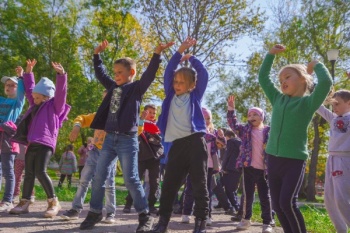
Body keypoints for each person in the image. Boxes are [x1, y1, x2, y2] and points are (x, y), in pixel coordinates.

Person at [79, 39, 173, 232]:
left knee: (131, 179)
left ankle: (145, 216)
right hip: (109, 138)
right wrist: (96, 56)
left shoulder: (136, 88)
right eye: (115, 73)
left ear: (131, 73)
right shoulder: (113, 87)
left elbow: (150, 74)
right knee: (99, 176)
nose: (116, 76)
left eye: (120, 72)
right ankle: (95, 212)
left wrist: (157, 54)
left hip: (127, 140)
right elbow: (100, 73)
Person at [259, 44, 332, 233]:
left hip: (294, 160)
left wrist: (316, 65)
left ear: (302, 79)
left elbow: (325, 83)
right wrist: (270, 55)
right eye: (280, 79)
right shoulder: (277, 98)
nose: (282, 81)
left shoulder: (307, 103)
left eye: (287, 77)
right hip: (273, 159)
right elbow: (263, 79)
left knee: (287, 202)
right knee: (277, 205)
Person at [151, 37, 209, 233]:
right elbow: (169, 71)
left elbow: (203, 73)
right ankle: (162, 224)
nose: (177, 84)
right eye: (176, 81)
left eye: (181, 82)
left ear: (192, 85)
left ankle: (200, 223)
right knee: (168, 186)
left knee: (200, 185)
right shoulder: (170, 96)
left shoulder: (194, 96)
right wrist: (179, 52)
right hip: (176, 145)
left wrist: (191, 58)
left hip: (195, 143)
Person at [10, 59, 70, 218]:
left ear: (46, 97)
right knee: (29, 172)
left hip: (46, 143)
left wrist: (61, 75)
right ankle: (24, 202)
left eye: (37, 98)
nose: (33, 100)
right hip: (32, 143)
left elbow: (61, 94)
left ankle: (53, 202)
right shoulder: (34, 105)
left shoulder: (54, 107)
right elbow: (30, 90)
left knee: (40, 171)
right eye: (34, 98)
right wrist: (28, 73)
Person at [61, 89, 117, 224]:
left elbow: (136, 130)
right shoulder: (98, 115)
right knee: (84, 180)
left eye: (108, 100)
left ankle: (110, 213)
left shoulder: (119, 117)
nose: (106, 103)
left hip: (110, 154)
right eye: (104, 100)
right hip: (95, 152)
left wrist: (141, 121)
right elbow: (82, 118)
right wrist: (76, 127)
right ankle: (75, 209)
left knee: (109, 184)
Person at [227, 96, 273, 233]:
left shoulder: (269, 131)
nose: (251, 116)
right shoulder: (245, 130)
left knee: (265, 196)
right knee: (248, 196)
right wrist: (231, 109)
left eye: (255, 114)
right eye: (249, 114)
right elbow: (233, 124)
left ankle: (267, 222)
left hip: (264, 170)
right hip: (248, 167)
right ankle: (246, 220)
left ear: (262, 117)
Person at [180, 107, 222, 226]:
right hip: (194, 164)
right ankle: (186, 213)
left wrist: (221, 137)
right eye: (203, 118)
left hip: (208, 166)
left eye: (208, 118)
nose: (206, 120)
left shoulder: (213, 132)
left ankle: (207, 215)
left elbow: (220, 146)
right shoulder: (193, 131)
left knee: (207, 191)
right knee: (190, 189)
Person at [316, 90, 350, 233]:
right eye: (332, 104)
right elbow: (318, 106)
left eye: (337, 104)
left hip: (345, 159)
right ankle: (340, 230)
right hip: (332, 159)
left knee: (341, 199)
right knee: (329, 200)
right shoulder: (333, 118)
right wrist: (320, 91)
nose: (334, 107)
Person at [124, 104, 164, 215]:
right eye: (149, 112)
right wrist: (141, 120)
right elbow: (135, 133)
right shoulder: (138, 123)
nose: (152, 115)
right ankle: (128, 203)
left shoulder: (157, 126)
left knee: (154, 182)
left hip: (154, 157)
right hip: (140, 156)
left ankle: (151, 205)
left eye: (154, 113)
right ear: (144, 112)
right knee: (135, 180)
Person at [0, 66, 25, 212]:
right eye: (7, 85)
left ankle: (8, 200)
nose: (9, 87)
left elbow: (22, 93)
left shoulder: (17, 103)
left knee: (9, 170)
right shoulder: (1, 99)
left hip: (8, 139)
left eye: (12, 85)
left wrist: (21, 77)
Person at [221, 129, 242, 216]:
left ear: (228, 136)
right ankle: (235, 207)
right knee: (233, 189)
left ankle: (236, 208)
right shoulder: (240, 142)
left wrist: (223, 167)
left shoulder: (230, 142)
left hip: (229, 168)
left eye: (225, 137)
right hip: (238, 169)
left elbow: (227, 155)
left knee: (228, 190)